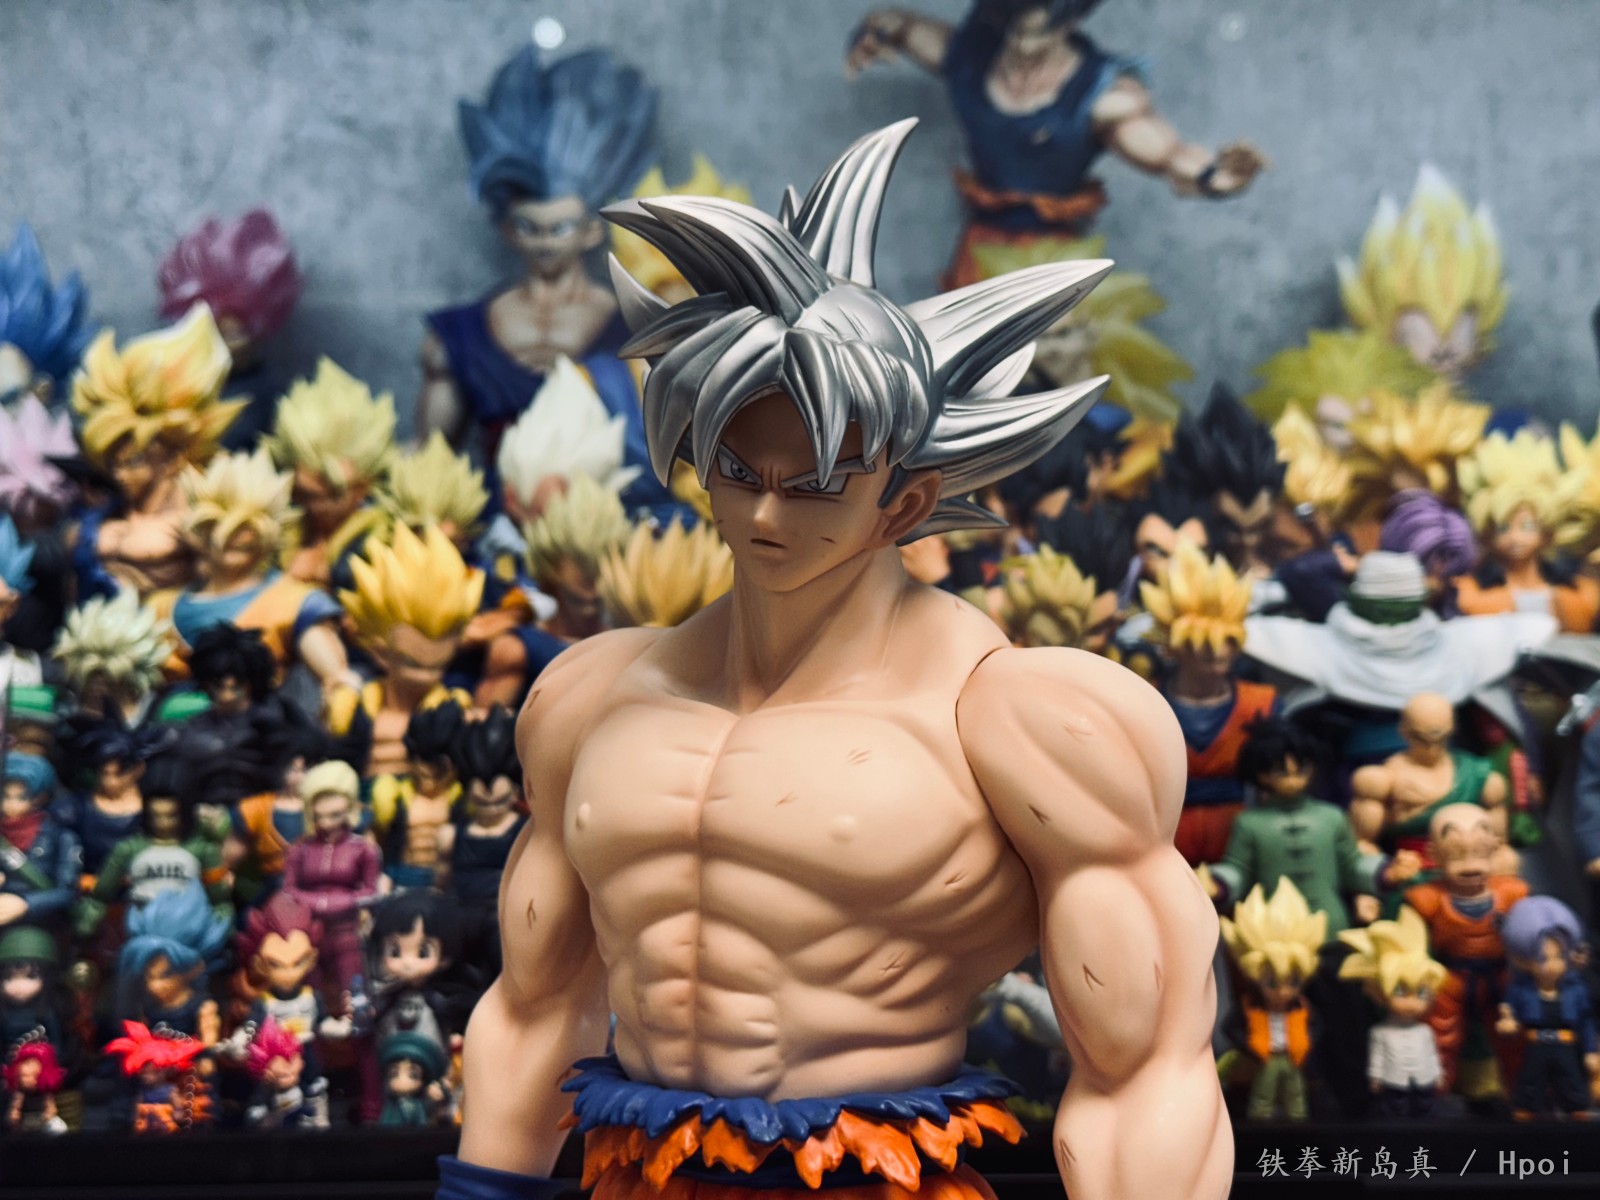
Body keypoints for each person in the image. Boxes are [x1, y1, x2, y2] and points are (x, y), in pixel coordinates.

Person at [444, 121, 1227, 1200]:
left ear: (904, 501)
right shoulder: (590, 697)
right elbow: (537, 1009)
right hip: (637, 1173)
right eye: (736, 471)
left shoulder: (1020, 720)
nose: (765, 514)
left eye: (814, 482)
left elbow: (1145, 1066)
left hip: (870, 1176)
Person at [846, 1, 1265, 287]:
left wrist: (1212, 176)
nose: (1021, 47)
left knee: (1053, 373)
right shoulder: (971, 58)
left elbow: (1168, 154)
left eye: (1036, 35)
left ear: (1068, 23)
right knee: (963, 373)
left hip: (1053, 261)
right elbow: (897, 25)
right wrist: (871, 33)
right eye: (1014, 31)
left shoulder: (1101, 95)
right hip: (979, 248)